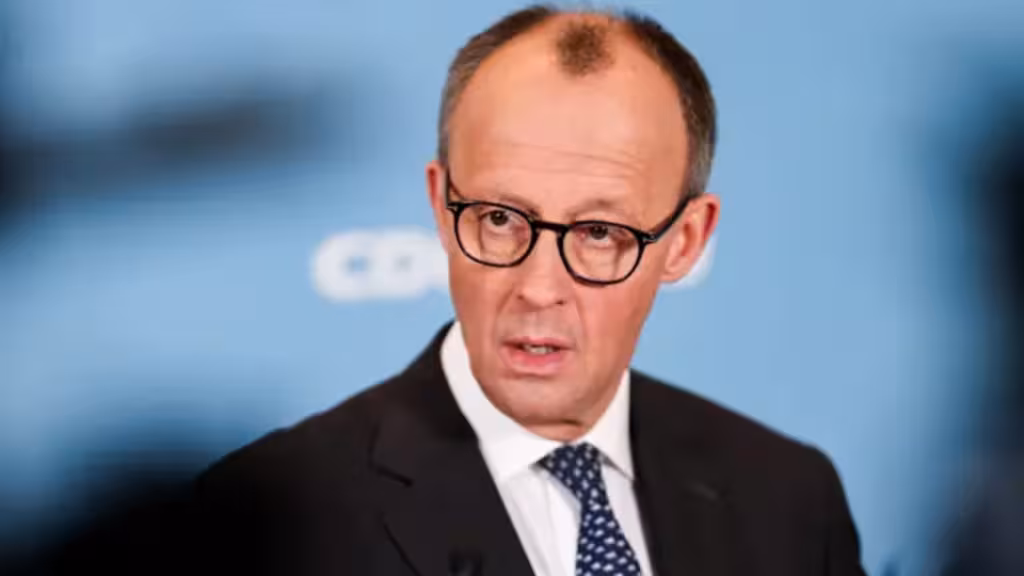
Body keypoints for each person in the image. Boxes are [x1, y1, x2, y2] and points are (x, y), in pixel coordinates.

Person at [193, 5, 867, 576]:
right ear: (441, 206)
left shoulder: (789, 498)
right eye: (498, 220)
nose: (540, 288)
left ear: (686, 241)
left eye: (599, 233)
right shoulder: (267, 524)